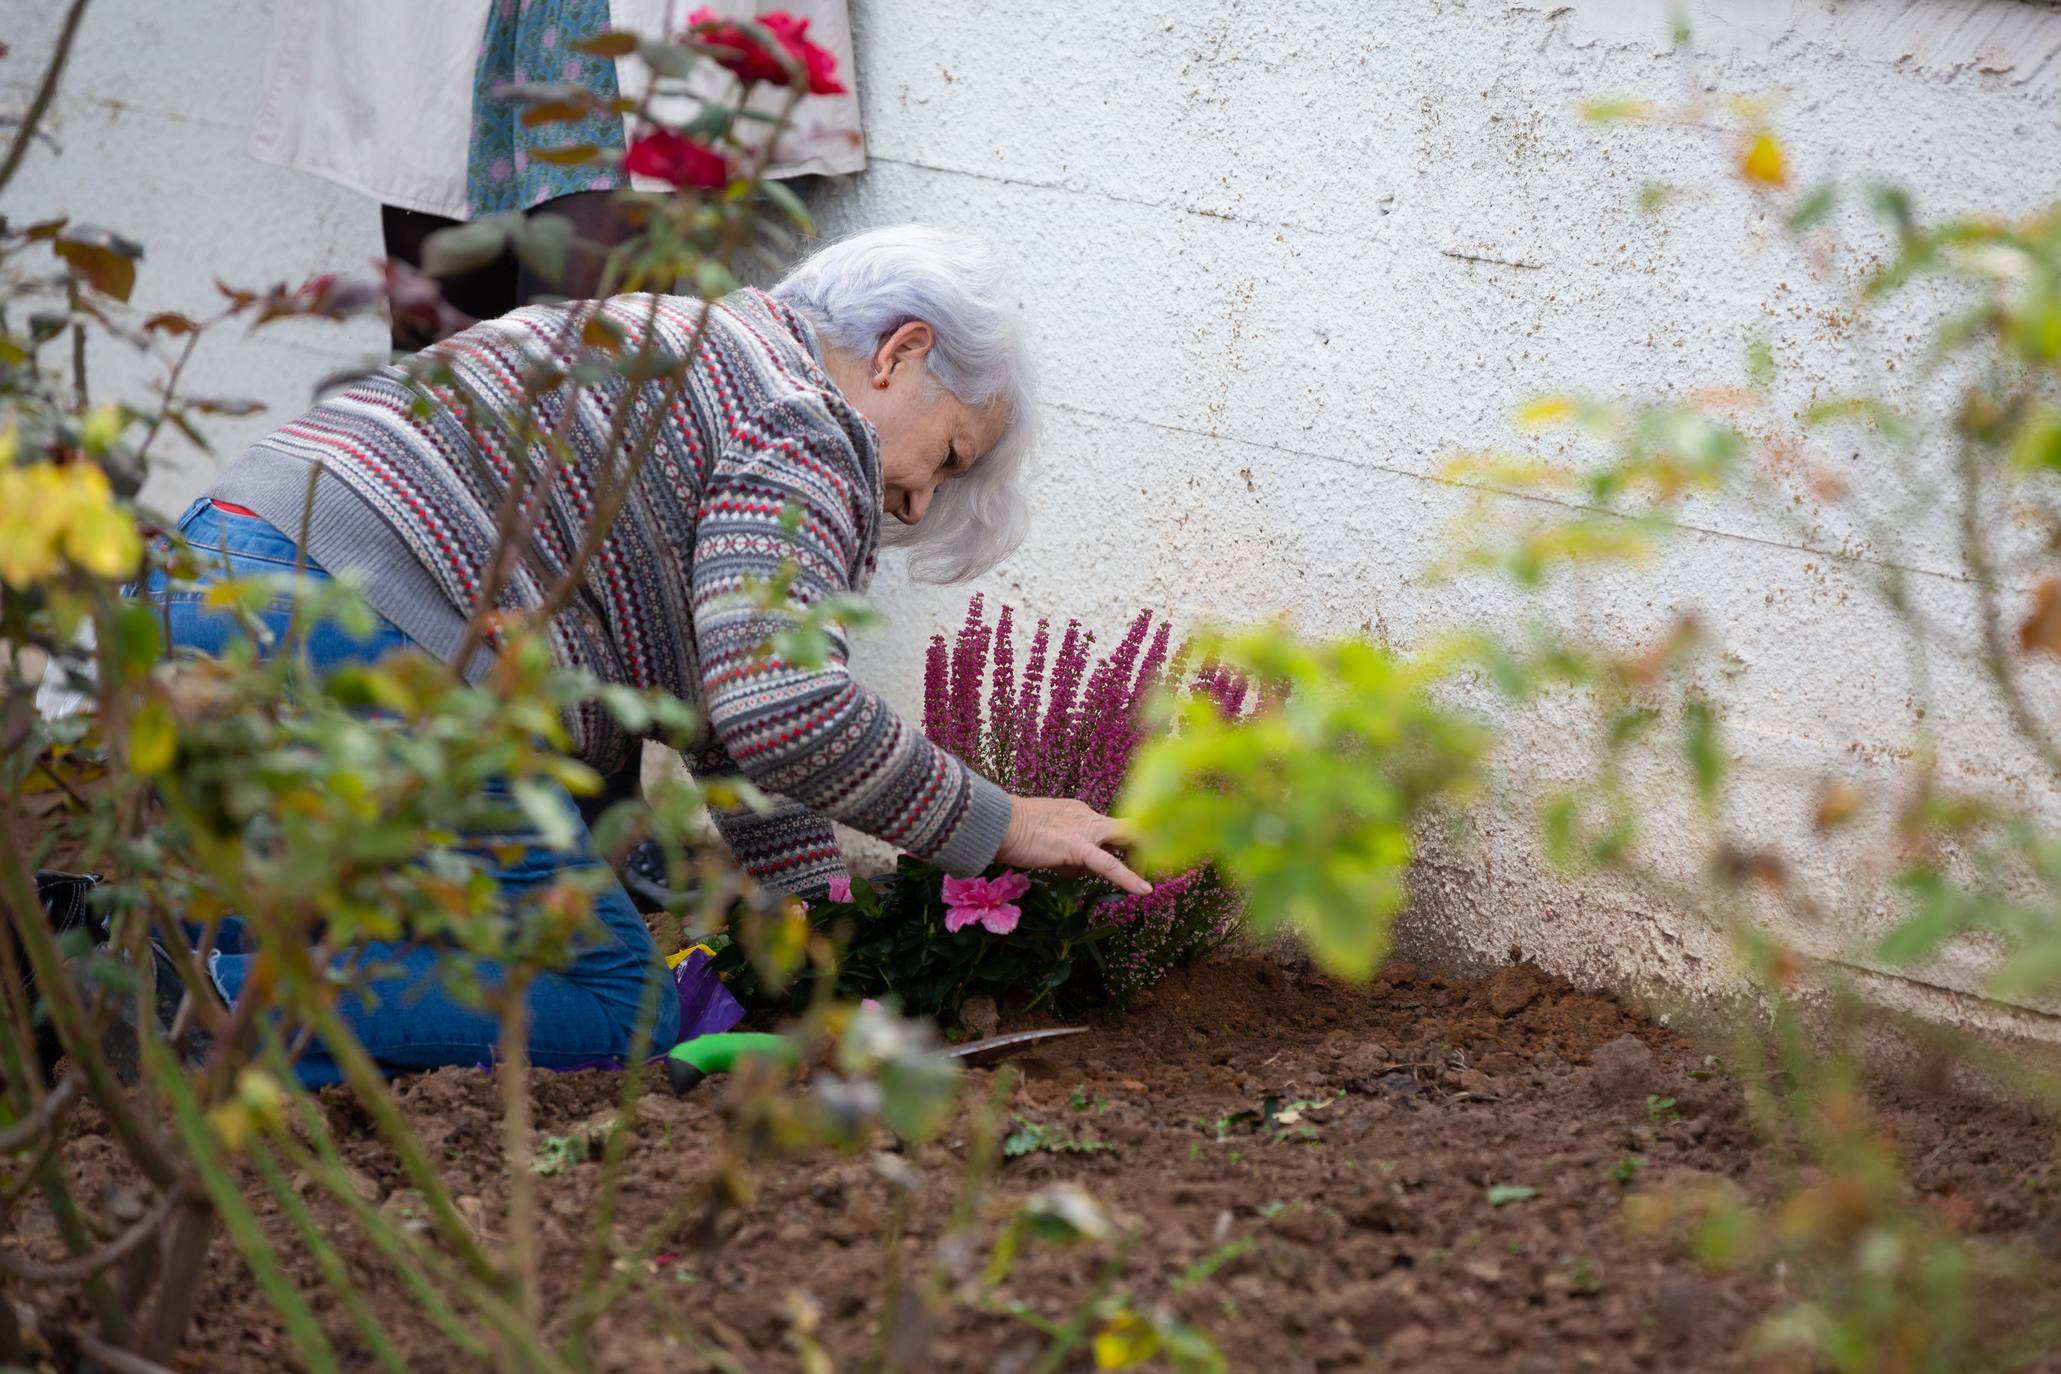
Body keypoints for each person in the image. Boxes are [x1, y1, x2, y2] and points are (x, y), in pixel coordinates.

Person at [123, 226, 1149, 1085]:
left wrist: (823, 952)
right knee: (621, 1011)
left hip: (202, 592)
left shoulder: (704, 344)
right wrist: (998, 820)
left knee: (460, 951)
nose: (920, 501)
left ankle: (123, 954)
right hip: (357, 641)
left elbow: (731, 718)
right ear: (900, 356)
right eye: (950, 455)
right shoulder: (809, 423)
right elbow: (782, 708)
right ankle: (170, 1003)